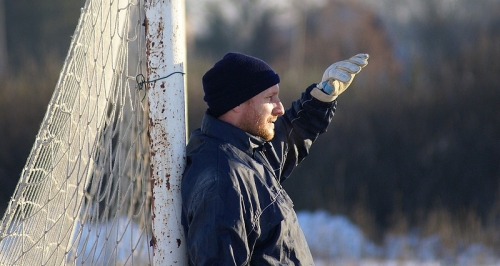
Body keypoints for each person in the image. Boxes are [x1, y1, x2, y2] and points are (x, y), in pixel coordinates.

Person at [181, 52, 369, 265]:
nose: (279, 108)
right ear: (235, 104)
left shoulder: (245, 155)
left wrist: (322, 97)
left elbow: (288, 139)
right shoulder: (222, 181)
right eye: (270, 98)